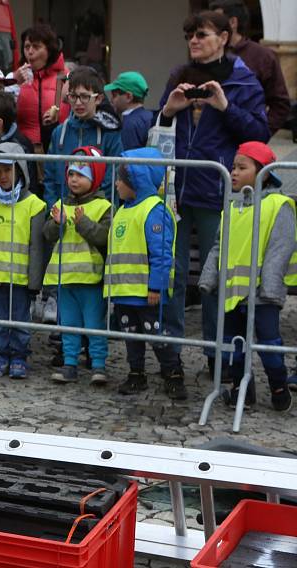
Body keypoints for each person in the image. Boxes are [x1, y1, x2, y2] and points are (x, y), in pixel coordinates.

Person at [159, 10, 268, 381]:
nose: (194, 41)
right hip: (176, 190)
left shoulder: (243, 82)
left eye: (202, 34)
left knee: (211, 279)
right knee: (171, 275)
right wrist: (169, 110)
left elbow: (259, 135)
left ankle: (215, 356)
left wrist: (225, 107)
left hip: (216, 192)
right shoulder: (180, 75)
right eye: (190, 35)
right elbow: (161, 127)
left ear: (224, 36)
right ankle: (169, 355)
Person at [198, 141, 294, 412]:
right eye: (233, 167)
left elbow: (280, 248)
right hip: (232, 292)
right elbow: (219, 245)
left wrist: (271, 288)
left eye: (242, 167)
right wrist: (209, 277)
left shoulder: (279, 204)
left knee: (268, 341)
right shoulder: (232, 206)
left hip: (263, 293)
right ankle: (241, 388)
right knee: (233, 342)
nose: (234, 173)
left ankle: (278, 385)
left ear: (263, 171)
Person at [105, 147, 186, 400]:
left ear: (136, 180)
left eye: (121, 178)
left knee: (157, 334)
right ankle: (136, 373)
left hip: (146, 293)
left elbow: (162, 254)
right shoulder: (122, 210)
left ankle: (173, 372)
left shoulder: (153, 210)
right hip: (124, 293)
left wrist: (156, 287)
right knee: (131, 335)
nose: (116, 183)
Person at [0, 142, 45, 380]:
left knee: (20, 321)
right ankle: (0, 354)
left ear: (19, 170)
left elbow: (36, 246)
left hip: (20, 278)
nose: (2, 176)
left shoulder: (34, 204)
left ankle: (19, 355)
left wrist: (35, 281)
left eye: (7, 170)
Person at [44, 147, 111, 385]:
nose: (74, 179)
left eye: (81, 174)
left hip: (90, 279)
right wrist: (56, 224)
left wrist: (83, 223)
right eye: (71, 173)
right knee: (68, 324)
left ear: (95, 178)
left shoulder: (104, 206)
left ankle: (98, 365)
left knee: (94, 325)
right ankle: (69, 363)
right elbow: (48, 235)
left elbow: (104, 237)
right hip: (64, 278)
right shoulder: (60, 204)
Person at [43, 67, 123, 210]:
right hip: (61, 215)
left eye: (85, 96)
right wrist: (52, 209)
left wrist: (95, 211)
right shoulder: (59, 132)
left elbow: (113, 178)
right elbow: (49, 177)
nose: (78, 103)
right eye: (73, 96)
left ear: (98, 98)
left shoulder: (110, 132)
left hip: (98, 216)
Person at [210, 0, 291, 135]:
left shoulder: (263, 56)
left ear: (233, 22)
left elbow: (280, 104)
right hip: (209, 141)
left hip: (245, 142)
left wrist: (261, 134)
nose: (209, 27)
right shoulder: (207, 53)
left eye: (215, 22)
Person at [15, 25, 70, 155]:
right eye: (27, 47)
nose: (30, 51)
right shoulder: (18, 78)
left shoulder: (64, 76)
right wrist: (14, 83)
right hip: (25, 149)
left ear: (49, 50)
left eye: (36, 46)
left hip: (58, 148)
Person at [104, 71, 154, 151]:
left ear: (128, 97)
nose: (111, 100)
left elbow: (127, 158)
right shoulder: (151, 116)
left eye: (114, 95)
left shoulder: (129, 124)